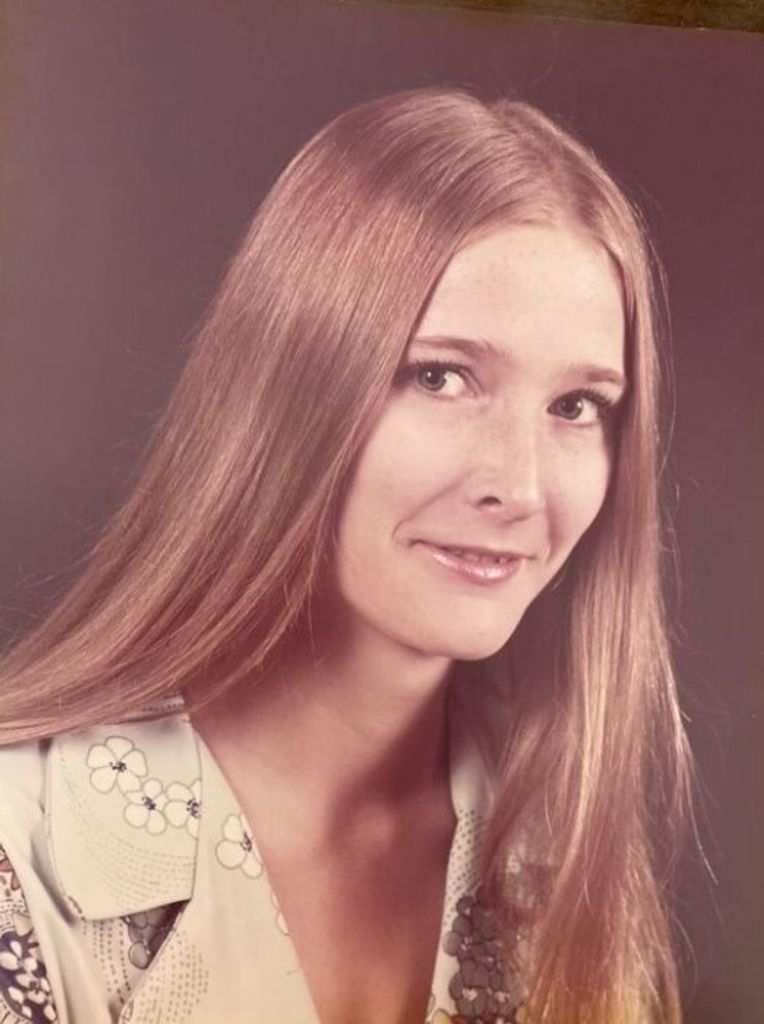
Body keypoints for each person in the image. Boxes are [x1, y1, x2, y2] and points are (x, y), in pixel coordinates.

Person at [0, 88, 692, 1024]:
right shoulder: (23, 853)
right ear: (287, 394)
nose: (521, 487)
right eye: (440, 377)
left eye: (577, 406)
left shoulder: (564, 848)